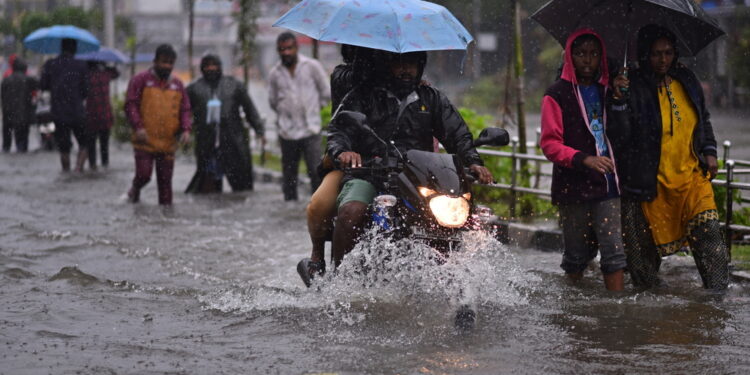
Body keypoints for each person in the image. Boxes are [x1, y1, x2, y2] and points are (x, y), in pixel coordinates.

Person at [326, 50, 493, 267]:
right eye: (400, 63)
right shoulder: (363, 95)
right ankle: (339, 277)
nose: (406, 69)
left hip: (418, 178)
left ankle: (466, 274)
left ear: (420, 66)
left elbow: (457, 134)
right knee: (352, 211)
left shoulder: (432, 98)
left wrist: (473, 162)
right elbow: (340, 130)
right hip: (370, 173)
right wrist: (343, 151)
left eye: (412, 64)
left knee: (466, 217)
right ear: (387, 64)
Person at [608, 24, 729, 290]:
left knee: (710, 239)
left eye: (668, 52)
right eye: (655, 54)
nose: (663, 59)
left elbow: (703, 119)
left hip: (691, 178)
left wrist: (709, 151)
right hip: (646, 183)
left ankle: (718, 300)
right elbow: (619, 137)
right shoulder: (632, 85)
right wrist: (618, 100)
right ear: (644, 55)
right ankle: (647, 318)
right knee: (643, 266)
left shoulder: (687, 78)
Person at [539, 29, 626, 291]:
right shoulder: (556, 94)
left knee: (614, 252)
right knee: (576, 255)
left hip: (607, 185)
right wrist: (584, 159)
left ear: (601, 57)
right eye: (580, 54)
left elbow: (625, 135)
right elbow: (549, 144)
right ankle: (574, 305)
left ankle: (617, 309)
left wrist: (621, 101)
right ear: (569, 57)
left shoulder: (609, 91)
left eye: (593, 54)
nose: (587, 60)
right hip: (572, 186)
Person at [299, 45, 375, 284]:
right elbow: (340, 127)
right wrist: (342, 152)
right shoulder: (345, 77)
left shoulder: (410, 86)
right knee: (319, 205)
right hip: (350, 158)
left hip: (393, 163)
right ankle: (319, 257)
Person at [185, 54, 265, 193]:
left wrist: (260, 131)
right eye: (207, 65)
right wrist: (183, 131)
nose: (211, 68)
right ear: (202, 68)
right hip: (207, 146)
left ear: (220, 67)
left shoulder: (234, 85)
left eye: (214, 65)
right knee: (208, 191)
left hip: (233, 144)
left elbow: (249, 109)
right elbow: (184, 113)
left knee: (242, 188)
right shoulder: (194, 89)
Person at [124, 44, 191, 205]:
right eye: (163, 62)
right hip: (145, 139)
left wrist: (186, 130)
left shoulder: (178, 85)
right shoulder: (140, 80)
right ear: (155, 61)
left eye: (170, 63)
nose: (167, 66)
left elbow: (185, 109)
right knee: (144, 175)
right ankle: (135, 189)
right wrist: (138, 127)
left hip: (168, 142)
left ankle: (166, 222)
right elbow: (130, 104)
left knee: (166, 186)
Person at [268, 32, 330, 201]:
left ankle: (318, 206)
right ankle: (290, 210)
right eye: (282, 49)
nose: (286, 52)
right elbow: (273, 101)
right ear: (278, 50)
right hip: (287, 132)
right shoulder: (275, 73)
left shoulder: (312, 66)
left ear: (296, 48)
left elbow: (325, 93)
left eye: (289, 48)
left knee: (316, 171)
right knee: (289, 176)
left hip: (311, 129)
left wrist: (313, 109)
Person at [39, 38, 89, 172]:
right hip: (77, 111)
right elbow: (86, 91)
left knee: (64, 148)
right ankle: (78, 169)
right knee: (84, 144)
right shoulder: (81, 65)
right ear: (75, 49)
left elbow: (43, 86)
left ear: (61, 48)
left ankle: (66, 172)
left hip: (58, 112)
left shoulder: (51, 64)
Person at [85, 61, 119, 169]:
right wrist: (109, 66)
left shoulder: (87, 76)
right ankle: (105, 165)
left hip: (91, 116)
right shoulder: (105, 75)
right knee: (105, 144)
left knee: (91, 144)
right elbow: (117, 73)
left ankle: (93, 165)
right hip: (105, 115)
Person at [1, 58, 37, 153]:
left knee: (7, 135)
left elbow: (2, 94)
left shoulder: (6, 80)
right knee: (22, 137)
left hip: (8, 111)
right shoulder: (28, 79)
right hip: (23, 112)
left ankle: (6, 148)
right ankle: (21, 148)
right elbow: (38, 86)